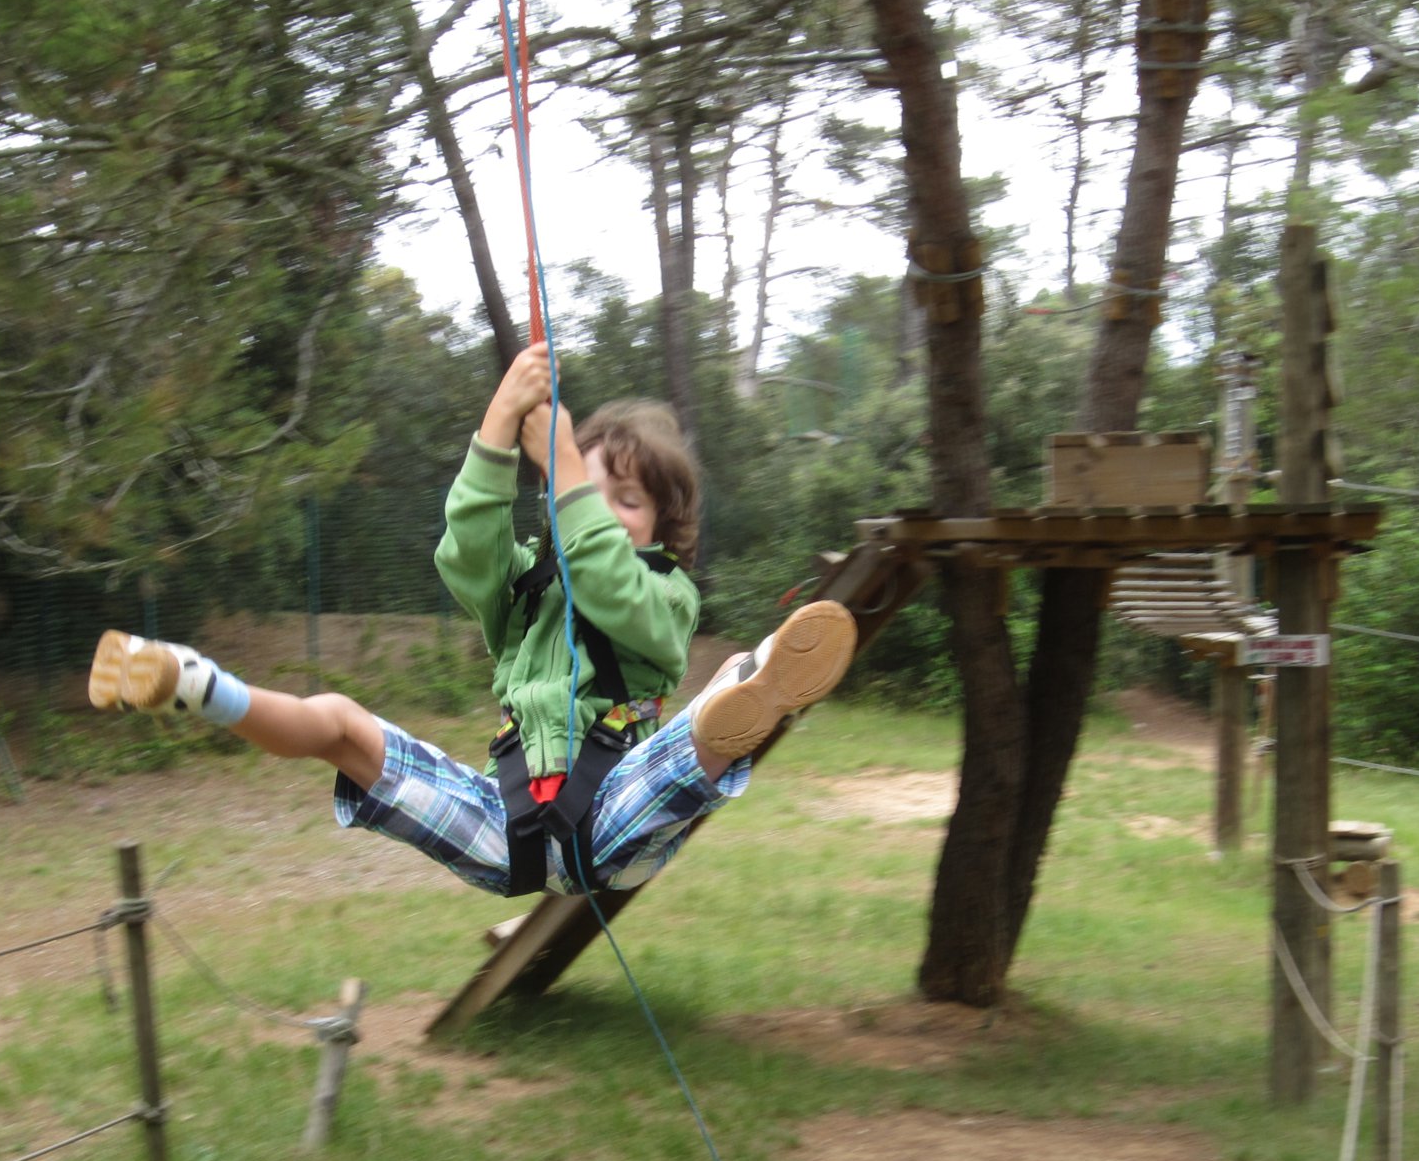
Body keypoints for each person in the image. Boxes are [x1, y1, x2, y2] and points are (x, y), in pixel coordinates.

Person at [86, 342, 857, 897]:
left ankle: (746, 693)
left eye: (625, 500)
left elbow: (609, 587)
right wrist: (498, 428)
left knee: (688, 747)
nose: (601, 510)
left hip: (613, 824)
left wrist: (564, 471)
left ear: (661, 525)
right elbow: (465, 555)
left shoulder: (667, 597)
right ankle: (201, 686)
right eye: (586, 491)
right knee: (343, 727)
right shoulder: (523, 588)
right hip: (506, 829)